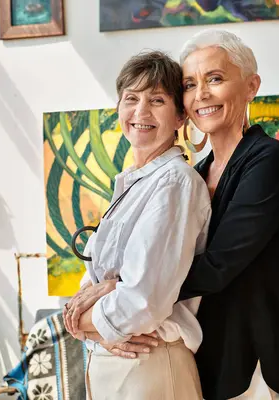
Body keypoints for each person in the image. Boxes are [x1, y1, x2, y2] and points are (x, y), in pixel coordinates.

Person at [65, 29, 279, 400]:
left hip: (257, 362)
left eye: (215, 79)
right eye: (191, 84)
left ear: (251, 85)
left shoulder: (269, 161)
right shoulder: (199, 170)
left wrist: (128, 287)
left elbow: (218, 264)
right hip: (211, 359)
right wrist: (119, 298)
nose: (202, 95)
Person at [64, 50, 212, 400]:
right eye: (131, 98)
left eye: (156, 100)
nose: (140, 111)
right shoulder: (133, 183)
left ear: (179, 116)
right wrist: (98, 321)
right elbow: (89, 285)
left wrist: (84, 325)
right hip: (119, 363)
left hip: (151, 366)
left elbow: (142, 302)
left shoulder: (176, 182)